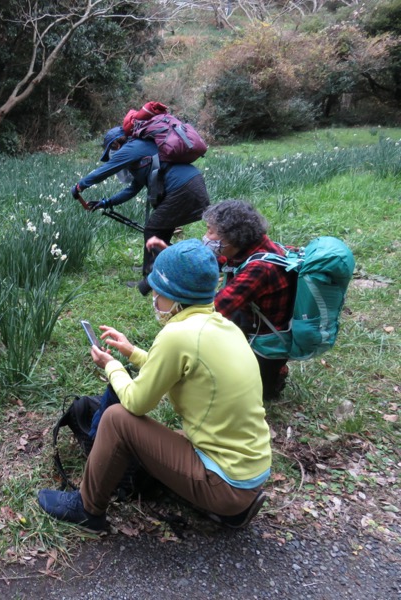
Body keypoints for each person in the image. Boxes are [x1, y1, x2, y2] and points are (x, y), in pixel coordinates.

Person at [38, 239, 272, 531]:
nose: (154, 301)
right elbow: (182, 370)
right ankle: (231, 511)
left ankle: (87, 508)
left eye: (158, 295)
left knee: (116, 419)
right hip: (249, 472)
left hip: (224, 484)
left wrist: (112, 366)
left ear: (176, 299)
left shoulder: (178, 335)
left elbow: (136, 402)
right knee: (156, 437)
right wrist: (132, 352)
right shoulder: (222, 326)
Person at [147, 199, 295, 400]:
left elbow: (214, 310)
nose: (206, 237)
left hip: (264, 344)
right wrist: (173, 257)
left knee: (246, 392)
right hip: (251, 324)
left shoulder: (260, 268)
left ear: (232, 236)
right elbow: (208, 264)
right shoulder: (245, 248)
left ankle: (274, 378)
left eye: (210, 231)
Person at [70, 103, 210, 295]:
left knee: (153, 228)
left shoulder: (133, 147)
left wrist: (80, 186)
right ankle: (157, 268)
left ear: (117, 143)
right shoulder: (141, 151)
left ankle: (153, 277)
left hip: (184, 188)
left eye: (111, 149)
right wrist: (106, 202)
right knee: (161, 230)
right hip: (190, 185)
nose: (112, 154)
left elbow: (106, 169)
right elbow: (132, 190)